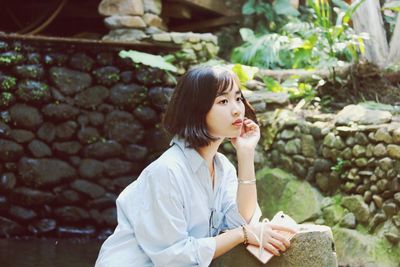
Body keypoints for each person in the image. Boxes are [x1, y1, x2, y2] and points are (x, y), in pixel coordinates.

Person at [95, 66, 296, 267]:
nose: (236, 109)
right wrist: (242, 234)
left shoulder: (223, 167)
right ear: (196, 110)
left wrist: (246, 154)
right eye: (223, 101)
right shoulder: (167, 171)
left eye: (238, 98)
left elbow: (242, 220)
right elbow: (174, 257)